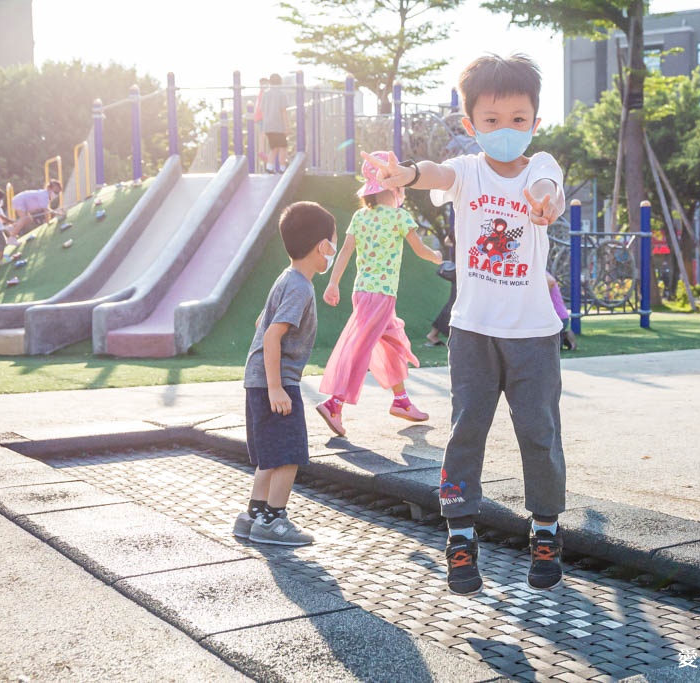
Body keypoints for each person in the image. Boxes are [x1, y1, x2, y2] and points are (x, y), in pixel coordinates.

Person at [363, 53, 567, 595]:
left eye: (519, 119)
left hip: (534, 336)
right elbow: (435, 173)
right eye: (493, 121)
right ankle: (459, 535)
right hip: (473, 333)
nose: (507, 131)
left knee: (539, 435)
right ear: (470, 125)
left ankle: (545, 530)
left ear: (535, 123)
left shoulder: (542, 164)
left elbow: (551, 190)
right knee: (465, 432)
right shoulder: (468, 172)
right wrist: (407, 173)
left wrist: (544, 205)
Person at [315, 151, 443, 437]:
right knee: (359, 348)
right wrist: (436, 256)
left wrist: (333, 283)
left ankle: (401, 400)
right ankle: (334, 403)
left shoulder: (360, 217)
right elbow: (420, 250)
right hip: (382, 295)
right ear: (394, 187)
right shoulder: (399, 217)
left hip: (362, 292)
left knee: (391, 341)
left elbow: (345, 253)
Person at [232, 201, 338, 546]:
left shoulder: (286, 278)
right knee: (289, 455)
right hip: (275, 383)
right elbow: (272, 334)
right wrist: (277, 388)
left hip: (259, 380)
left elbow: (261, 323)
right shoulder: (300, 286)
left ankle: (253, 516)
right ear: (323, 246)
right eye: (332, 243)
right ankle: (273, 522)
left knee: (270, 455)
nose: (333, 251)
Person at [7, 180, 63, 244]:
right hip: (20, 200)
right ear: (49, 189)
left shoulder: (45, 195)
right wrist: (49, 222)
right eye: (55, 192)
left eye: (58, 193)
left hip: (22, 201)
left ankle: (13, 227)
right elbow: (46, 211)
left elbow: (46, 210)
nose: (56, 195)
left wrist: (56, 213)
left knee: (28, 220)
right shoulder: (44, 195)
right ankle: (11, 238)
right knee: (24, 218)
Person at [426, 233, 456, 347]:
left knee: (453, 303)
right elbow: (447, 240)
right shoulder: (459, 229)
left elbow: (447, 241)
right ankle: (433, 334)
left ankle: (433, 334)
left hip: (464, 273)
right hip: (461, 273)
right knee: (453, 304)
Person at [261, 73, 289, 174]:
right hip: (278, 126)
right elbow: (283, 111)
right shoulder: (281, 94)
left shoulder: (265, 94)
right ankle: (282, 168)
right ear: (280, 83)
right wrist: (287, 127)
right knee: (283, 147)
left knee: (274, 147)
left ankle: (269, 167)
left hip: (268, 125)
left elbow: (262, 110)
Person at [547, 271, 577, 351]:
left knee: (552, 348)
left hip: (557, 316)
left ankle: (564, 336)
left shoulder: (542, 272)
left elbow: (551, 282)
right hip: (561, 316)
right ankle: (564, 336)